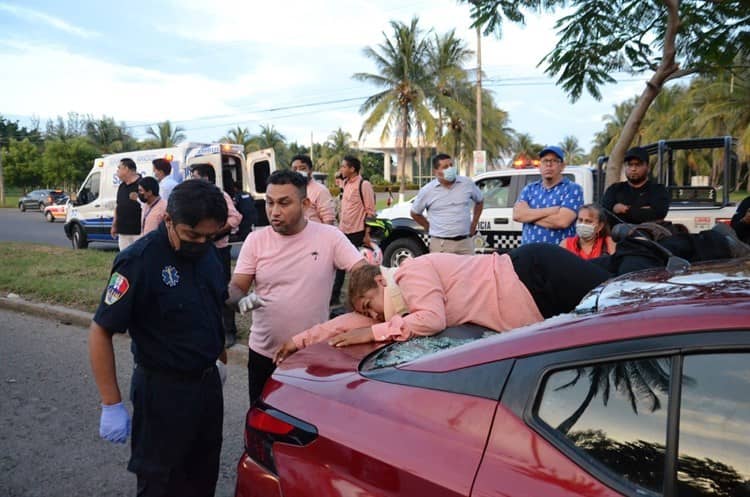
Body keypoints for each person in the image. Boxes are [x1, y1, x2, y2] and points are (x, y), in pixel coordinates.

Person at [88, 180, 228, 497]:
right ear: (168, 220)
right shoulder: (140, 260)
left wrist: (220, 361)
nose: (201, 243)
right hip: (163, 393)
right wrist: (111, 402)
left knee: (203, 476)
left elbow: (211, 307)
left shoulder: (207, 253)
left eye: (210, 236)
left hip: (206, 390)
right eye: (192, 235)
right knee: (161, 484)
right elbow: (101, 329)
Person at [274, 243, 611, 361]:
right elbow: (348, 326)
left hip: (537, 274)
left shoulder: (411, 273)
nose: (373, 316)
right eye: (368, 315)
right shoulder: (397, 310)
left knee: (622, 301)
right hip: (536, 299)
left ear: (380, 281)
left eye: (368, 305)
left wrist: (374, 333)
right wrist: (298, 341)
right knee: (617, 294)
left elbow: (432, 320)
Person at [226, 170, 366, 405]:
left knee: (308, 425)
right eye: (269, 203)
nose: (274, 211)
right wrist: (240, 300)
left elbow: (362, 271)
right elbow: (235, 286)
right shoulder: (256, 241)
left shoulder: (330, 237)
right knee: (264, 422)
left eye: (284, 203)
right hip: (265, 354)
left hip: (312, 354)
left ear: (305, 204)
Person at [190, 163, 243, 347]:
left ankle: (229, 331)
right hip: (198, 250)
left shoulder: (219, 195)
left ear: (206, 178)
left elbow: (235, 217)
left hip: (218, 249)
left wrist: (216, 232)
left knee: (222, 290)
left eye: (195, 176)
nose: (192, 179)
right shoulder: (193, 197)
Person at [410, 153, 484, 255]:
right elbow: (415, 213)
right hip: (441, 245)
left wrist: (474, 224)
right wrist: (428, 226)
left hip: (465, 243)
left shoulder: (467, 184)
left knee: (469, 270)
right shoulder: (427, 190)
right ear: (436, 171)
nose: (450, 169)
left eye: (451, 165)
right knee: (441, 271)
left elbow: (479, 201)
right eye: (445, 167)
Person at [513, 145, 583, 245]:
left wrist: (529, 216)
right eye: (545, 161)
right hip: (529, 253)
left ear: (562, 166)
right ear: (540, 166)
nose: (549, 165)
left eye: (554, 161)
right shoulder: (529, 189)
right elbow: (517, 215)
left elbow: (562, 221)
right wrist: (551, 210)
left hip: (559, 254)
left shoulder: (573, 189)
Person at [331, 156, 376, 306]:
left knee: (356, 268)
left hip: (358, 231)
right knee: (339, 265)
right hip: (343, 230)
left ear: (352, 169)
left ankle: (360, 298)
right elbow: (337, 178)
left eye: (344, 166)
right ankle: (335, 296)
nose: (341, 169)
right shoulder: (345, 183)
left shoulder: (364, 185)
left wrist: (367, 234)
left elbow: (370, 211)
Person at [602, 146, 669, 227]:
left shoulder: (658, 190)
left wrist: (624, 209)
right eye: (630, 165)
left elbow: (658, 214)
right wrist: (642, 210)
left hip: (648, 237)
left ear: (648, 167)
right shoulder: (614, 189)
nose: (633, 169)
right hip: (617, 237)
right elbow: (604, 214)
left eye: (638, 164)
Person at [290, 154, 335, 224]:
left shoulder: (321, 190)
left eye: (302, 168)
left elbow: (328, 220)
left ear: (310, 170)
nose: (298, 172)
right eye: (294, 169)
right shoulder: (289, 190)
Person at [111, 158, 142, 251]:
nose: (117, 171)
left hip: (138, 231)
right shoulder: (121, 186)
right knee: (125, 259)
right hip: (123, 231)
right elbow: (118, 206)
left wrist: (138, 198)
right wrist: (114, 224)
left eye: (119, 168)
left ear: (126, 169)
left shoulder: (142, 184)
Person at [227, 179, 257, 243]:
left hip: (244, 216)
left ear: (235, 188)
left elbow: (234, 204)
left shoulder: (238, 195)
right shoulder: (247, 194)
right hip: (252, 215)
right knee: (248, 228)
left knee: (243, 232)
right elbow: (253, 201)